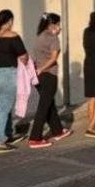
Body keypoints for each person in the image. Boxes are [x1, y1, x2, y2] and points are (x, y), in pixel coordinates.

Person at [0, 9, 28, 154]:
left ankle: (7, 134)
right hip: (7, 75)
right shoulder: (13, 36)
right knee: (3, 109)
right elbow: (23, 56)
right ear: (9, 20)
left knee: (3, 105)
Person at [28, 13, 72, 149]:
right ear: (52, 25)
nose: (59, 27)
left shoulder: (39, 36)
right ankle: (35, 137)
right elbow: (53, 58)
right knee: (44, 106)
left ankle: (57, 130)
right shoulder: (53, 39)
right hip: (48, 75)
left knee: (49, 104)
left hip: (39, 76)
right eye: (58, 24)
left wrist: (38, 70)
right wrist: (42, 69)